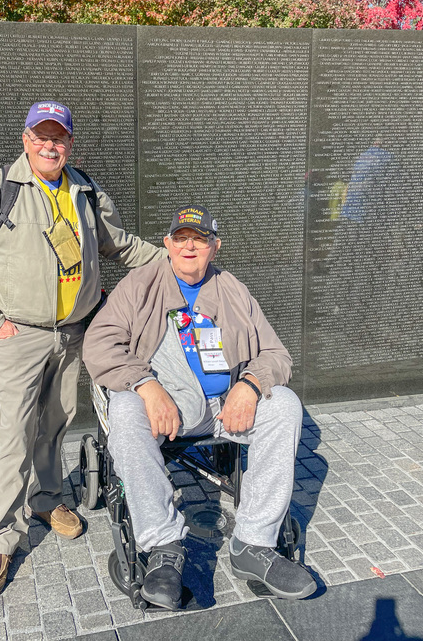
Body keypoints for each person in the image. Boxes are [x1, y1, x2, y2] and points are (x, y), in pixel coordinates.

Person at [0, 101, 165, 595]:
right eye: (41, 136)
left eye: (59, 137)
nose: (51, 145)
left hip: (74, 333)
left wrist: (174, 260)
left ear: (70, 143)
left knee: (58, 420)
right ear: (26, 139)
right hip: (19, 336)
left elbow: (121, 245)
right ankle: (1, 540)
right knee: (14, 433)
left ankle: (46, 498)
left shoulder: (84, 190)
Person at [83, 205, 316, 610]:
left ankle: (254, 543)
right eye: (181, 238)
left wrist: (250, 384)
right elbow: (99, 345)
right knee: (124, 411)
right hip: (163, 402)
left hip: (225, 405)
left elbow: (276, 354)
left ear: (215, 246)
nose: (190, 246)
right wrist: (146, 385)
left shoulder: (233, 290)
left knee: (284, 407)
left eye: (200, 239)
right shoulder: (139, 285)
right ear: (167, 244)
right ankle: (163, 547)